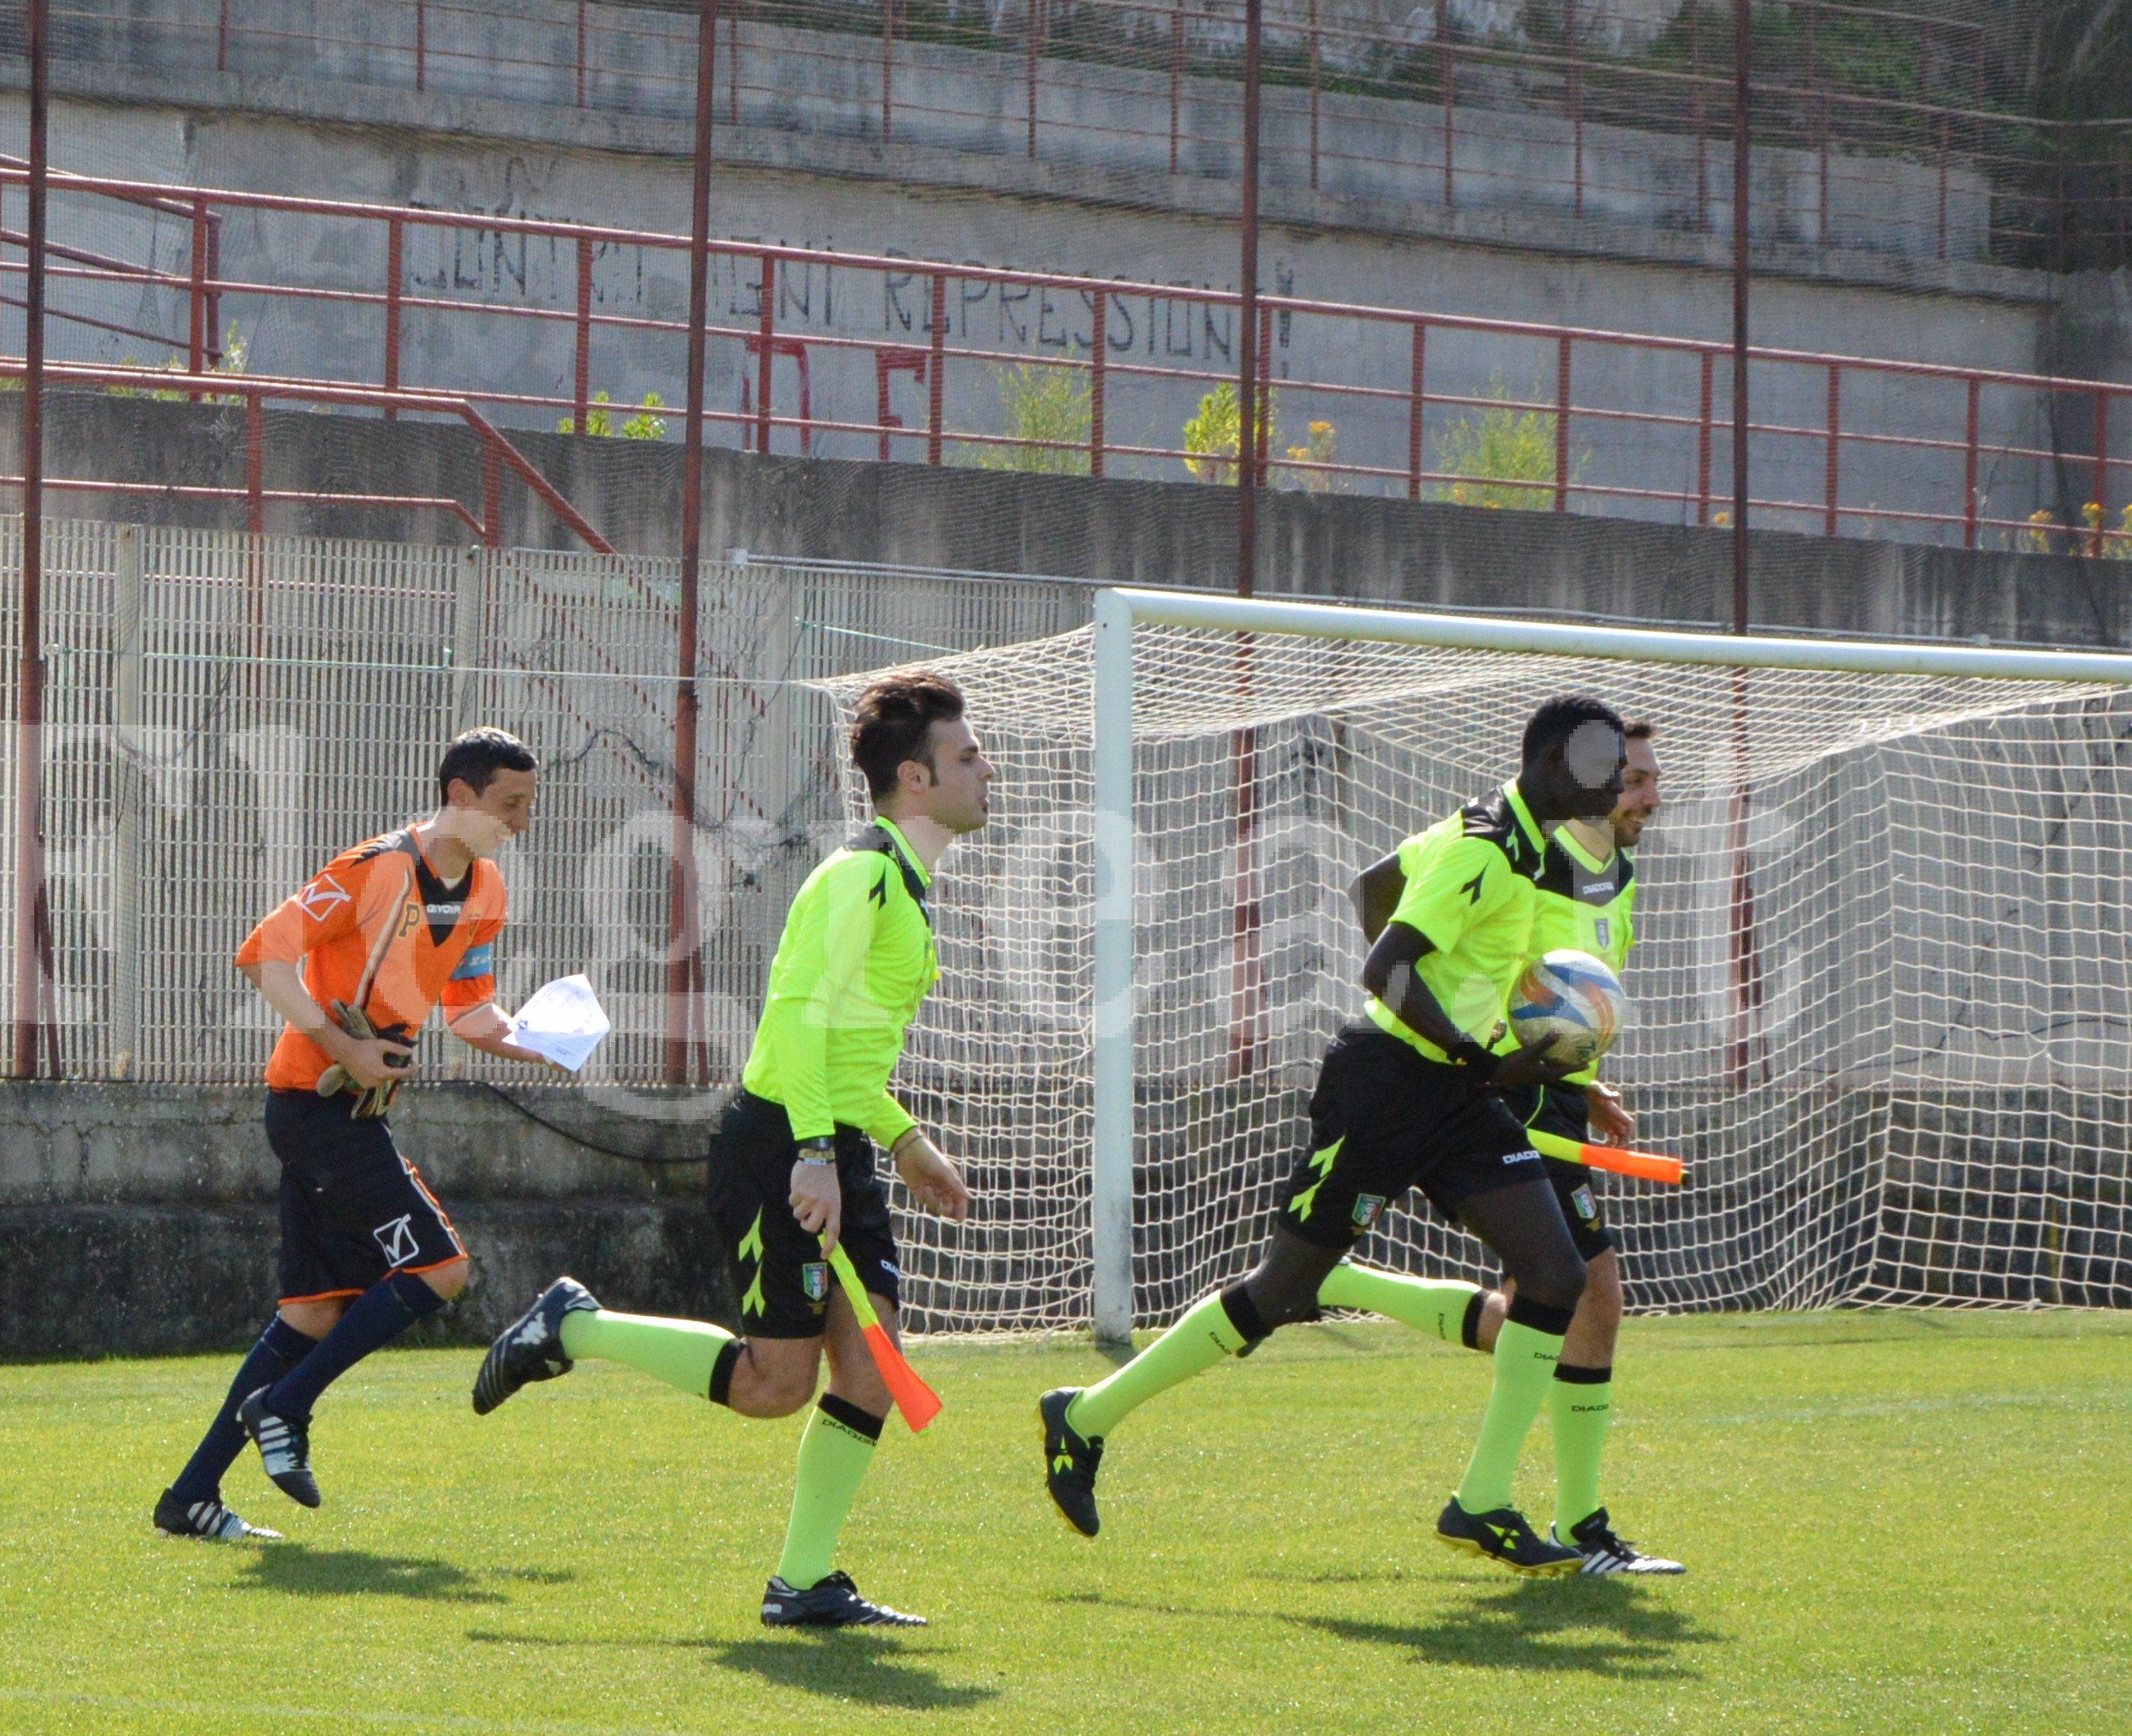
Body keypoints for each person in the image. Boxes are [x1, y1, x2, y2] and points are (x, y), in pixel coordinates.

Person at [1038, 692, 1680, 1579]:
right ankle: (1085, 1417)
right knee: (1277, 1293)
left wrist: (1494, 1052)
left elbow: (1377, 886)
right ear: (1548, 767)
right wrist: (1468, 1049)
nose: (1619, 785)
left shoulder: (1521, 844)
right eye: (1607, 769)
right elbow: (1386, 965)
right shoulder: (1486, 851)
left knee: (1558, 1273)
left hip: (1456, 1092)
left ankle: (1482, 1501)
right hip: (1386, 1085)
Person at [469, 674, 989, 1631]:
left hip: (829, 1142)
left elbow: (838, 1051)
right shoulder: (861, 875)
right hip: (779, 1144)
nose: (983, 769)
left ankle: (801, 1582)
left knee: (868, 1370)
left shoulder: (906, 886)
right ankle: (570, 1327)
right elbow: (793, 1021)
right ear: (913, 778)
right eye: (964, 757)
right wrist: (811, 1154)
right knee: (774, 1386)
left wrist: (902, 1141)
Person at [158, 729, 553, 1545]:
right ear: (460, 795)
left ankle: (189, 1498)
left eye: (528, 806)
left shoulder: (485, 892)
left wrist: (541, 1039)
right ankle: (286, 1407)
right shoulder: (372, 867)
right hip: (313, 1109)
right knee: (440, 1268)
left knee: (313, 1313)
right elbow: (264, 955)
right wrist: (344, 1047)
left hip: (348, 1116)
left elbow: (470, 1012)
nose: (521, 821)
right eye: (510, 805)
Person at [1288, 726, 1669, 1545]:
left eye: (1645, 782)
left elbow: (1564, 1002)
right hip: (1508, 1093)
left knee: (1554, 1300)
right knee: (1586, 1294)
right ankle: (1573, 1523)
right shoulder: (1517, 859)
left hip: (1553, 1092)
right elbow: (1464, 957)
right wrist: (1480, 1060)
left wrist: (1582, 1075)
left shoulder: (1620, 878)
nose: (1644, 798)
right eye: (1631, 780)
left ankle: (1342, 1286)